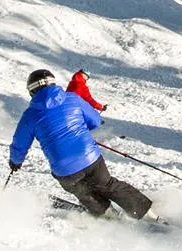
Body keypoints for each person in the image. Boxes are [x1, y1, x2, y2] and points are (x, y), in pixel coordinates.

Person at [10, 69, 151, 220]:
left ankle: (108, 215)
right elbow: (95, 121)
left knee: (84, 192)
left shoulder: (29, 115)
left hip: (64, 170)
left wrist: (15, 162)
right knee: (108, 185)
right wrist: (79, 128)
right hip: (89, 157)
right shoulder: (73, 99)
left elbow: (20, 144)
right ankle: (147, 213)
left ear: (32, 91)